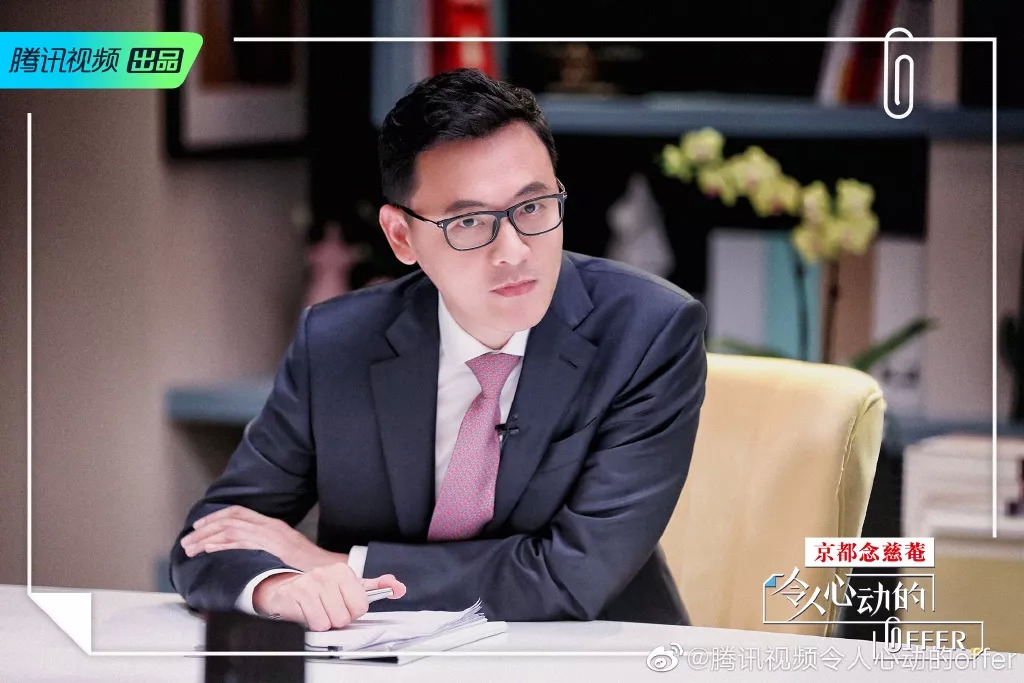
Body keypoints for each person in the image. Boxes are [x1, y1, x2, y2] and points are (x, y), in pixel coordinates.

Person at [170, 68, 708, 632]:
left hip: (594, 653)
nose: (513, 251)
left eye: (532, 208)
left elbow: (570, 575)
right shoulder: (337, 344)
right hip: (379, 660)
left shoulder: (648, 332)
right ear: (401, 237)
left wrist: (345, 567)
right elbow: (211, 537)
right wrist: (278, 586)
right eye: (469, 221)